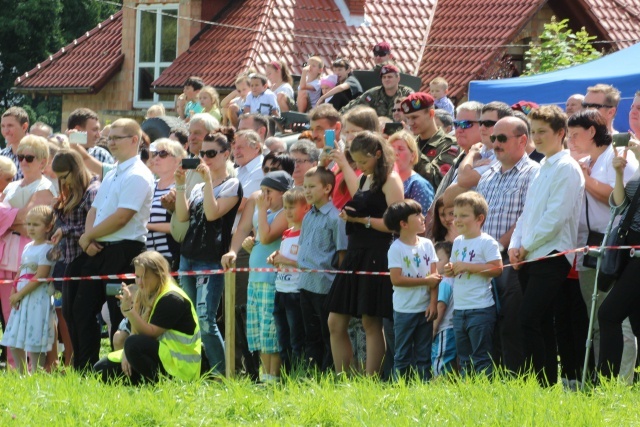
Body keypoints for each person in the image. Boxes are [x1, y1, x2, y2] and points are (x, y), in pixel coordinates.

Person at [68, 118, 154, 370]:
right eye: (110, 137)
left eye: (118, 137)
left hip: (124, 250)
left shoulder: (139, 174)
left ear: (134, 140)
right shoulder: (114, 171)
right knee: (80, 309)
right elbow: (95, 209)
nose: (111, 142)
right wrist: (89, 237)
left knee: (120, 315)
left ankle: (119, 370)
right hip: (98, 247)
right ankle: (85, 369)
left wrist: (89, 236)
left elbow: (122, 216)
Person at [509, 105, 585, 386]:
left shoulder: (567, 168)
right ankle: (545, 384)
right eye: (533, 131)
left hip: (551, 255)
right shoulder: (542, 167)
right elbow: (528, 213)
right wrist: (515, 245)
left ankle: (542, 383)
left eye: (543, 132)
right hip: (529, 254)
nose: (536, 137)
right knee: (539, 322)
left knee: (529, 318)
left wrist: (525, 245)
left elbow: (556, 217)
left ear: (560, 133)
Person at [326, 131, 404, 375]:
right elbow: (357, 197)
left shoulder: (391, 180)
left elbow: (395, 223)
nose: (359, 166)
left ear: (378, 154)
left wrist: (361, 220)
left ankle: (371, 380)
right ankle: (343, 378)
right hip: (355, 252)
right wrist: (352, 217)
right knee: (335, 322)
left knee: (371, 321)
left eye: (363, 161)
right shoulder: (364, 179)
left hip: (378, 252)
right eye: (356, 162)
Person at [568, 110, 638, 384]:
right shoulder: (591, 160)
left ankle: (618, 383)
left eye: (575, 134)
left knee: (616, 318)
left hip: (623, 245)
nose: (571, 140)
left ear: (592, 132)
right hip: (597, 244)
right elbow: (616, 200)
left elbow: (616, 201)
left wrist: (586, 179)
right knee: (600, 319)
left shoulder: (620, 155)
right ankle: (603, 382)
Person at [476, 116, 540, 375]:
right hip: (484, 261)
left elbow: (528, 216)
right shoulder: (487, 175)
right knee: (486, 323)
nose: (496, 144)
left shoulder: (534, 172)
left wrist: (496, 246)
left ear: (523, 140)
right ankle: (491, 379)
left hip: (514, 260)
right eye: (493, 138)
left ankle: (516, 379)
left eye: (502, 138)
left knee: (511, 324)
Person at [175, 132, 242, 374]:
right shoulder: (200, 186)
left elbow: (213, 214)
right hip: (188, 256)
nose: (205, 158)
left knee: (206, 319)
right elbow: (182, 217)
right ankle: (196, 370)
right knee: (190, 319)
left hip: (211, 259)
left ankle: (221, 374)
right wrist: (181, 184)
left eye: (211, 154)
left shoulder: (232, 184)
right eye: (202, 154)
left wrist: (208, 182)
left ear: (226, 155)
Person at [222, 171, 292, 382]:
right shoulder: (265, 213)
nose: (264, 196)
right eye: (262, 191)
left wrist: (261, 210)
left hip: (271, 281)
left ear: (283, 193)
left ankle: (274, 377)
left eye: (269, 192)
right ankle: (264, 376)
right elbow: (260, 237)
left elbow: (269, 235)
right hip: (255, 280)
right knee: (258, 331)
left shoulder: (282, 214)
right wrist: (248, 246)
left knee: (271, 331)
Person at [94, 251, 201, 384]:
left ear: (159, 275)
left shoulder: (172, 298)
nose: (139, 282)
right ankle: (141, 381)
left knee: (132, 344)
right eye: (137, 276)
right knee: (101, 369)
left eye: (144, 277)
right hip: (162, 356)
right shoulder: (146, 293)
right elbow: (135, 332)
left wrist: (129, 311)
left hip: (181, 367)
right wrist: (126, 354)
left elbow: (150, 333)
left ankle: (157, 384)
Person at [1, 135, 57, 360]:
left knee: (25, 311)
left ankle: (37, 366)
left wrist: (5, 220)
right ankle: (14, 366)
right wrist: (18, 220)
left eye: (30, 157)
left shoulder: (45, 187)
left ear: (43, 161)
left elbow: (32, 223)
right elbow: (23, 219)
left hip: (29, 254)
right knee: (10, 315)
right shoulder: (13, 185)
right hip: (5, 253)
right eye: (20, 156)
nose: (23, 162)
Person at [50, 150, 101, 366]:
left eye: (65, 176)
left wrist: (67, 230)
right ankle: (78, 365)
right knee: (69, 314)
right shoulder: (69, 191)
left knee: (83, 315)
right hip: (69, 258)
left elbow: (95, 228)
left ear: (76, 169)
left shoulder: (93, 191)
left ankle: (88, 364)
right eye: (58, 177)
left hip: (88, 259)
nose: (62, 181)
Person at [444, 191, 503, 376]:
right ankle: (468, 393)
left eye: (463, 215)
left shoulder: (487, 242)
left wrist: (468, 267)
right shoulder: (458, 242)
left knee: (481, 357)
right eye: (455, 215)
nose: (457, 220)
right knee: (464, 358)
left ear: (479, 218)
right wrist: (449, 269)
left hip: (480, 308)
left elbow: (497, 268)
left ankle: (483, 393)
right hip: (460, 309)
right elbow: (456, 267)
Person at [296, 166, 347, 371]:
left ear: (327, 188)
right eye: (305, 186)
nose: (306, 191)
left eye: (311, 187)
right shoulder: (308, 216)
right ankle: (312, 373)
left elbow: (342, 254)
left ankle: (328, 373)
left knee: (328, 335)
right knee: (310, 333)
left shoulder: (336, 218)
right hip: (306, 284)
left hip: (325, 286)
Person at [598, 132, 640, 381]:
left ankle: (606, 383)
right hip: (629, 250)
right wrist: (618, 173)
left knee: (608, 314)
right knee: (636, 322)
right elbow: (618, 205)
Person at [384, 199, 440, 380]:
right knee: (402, 355)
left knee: (424, 355)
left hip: (424, 310)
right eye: (417, 214)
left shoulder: (427, 244)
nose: (423, 217)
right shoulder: (396, 248)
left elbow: (435, 277)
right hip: (404, 310)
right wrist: (426, 281)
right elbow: (396, 279)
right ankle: (400, 389)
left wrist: (433, 303)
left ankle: (423, 388)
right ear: (403, 224)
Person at [0, 205, 56, 373]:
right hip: (22, 296)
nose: (30, 228)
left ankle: (36, 371)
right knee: (15, 336)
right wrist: (14, 290)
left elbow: (41, 275)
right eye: (28, 224)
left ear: (48, 227)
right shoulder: (28, 246)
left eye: (36, 225)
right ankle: (21, 373)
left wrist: (21, 294)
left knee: (35, 333)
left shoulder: (48, 248)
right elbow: (21, 270)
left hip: (37, 297)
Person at [266, 188, 310, 370]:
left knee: (296, 338)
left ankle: (298, 375)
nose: (288, 212)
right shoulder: (287, 232)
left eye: (292, 207)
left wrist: (285, 260)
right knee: (282, 337)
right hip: (281, 290)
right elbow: (284, 256)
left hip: (295, 292)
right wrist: (275, 257)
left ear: (306, 208)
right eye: (285, 208)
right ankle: (286, 377)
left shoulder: (306, 232)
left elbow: (307, 262)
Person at [400, 93, 457, 191]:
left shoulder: (450, 144)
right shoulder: (409, 143)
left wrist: (411, 146)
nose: (410, 123)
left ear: (431, 114)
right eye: (408, 118)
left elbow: (438, 181)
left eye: (414, 117)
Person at [147, 139, 187, 269]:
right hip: (147, 258)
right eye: (155, 154)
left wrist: (146, 226)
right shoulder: (149, 185)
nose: (156, 158)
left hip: (171, 258)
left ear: (178, 160)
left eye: (163, 154)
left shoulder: (181, 187)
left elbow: (179, 226)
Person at [340, 65, 414, 120]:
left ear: (398, 78)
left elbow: (417, 111)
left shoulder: (406, 93)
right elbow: (353, 106)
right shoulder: (373, 94)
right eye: (384, 77)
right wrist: (337, 117)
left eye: (389, 77)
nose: (386, 79)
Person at [389, 130, 435, 213]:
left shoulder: (418, 185)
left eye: (400, 149)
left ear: (412, 156)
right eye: (391, 148)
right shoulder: (384, 180)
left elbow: (423, 220)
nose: (395, 153)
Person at [432, 240, 457, 376]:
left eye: (439, 259)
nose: (435, 262)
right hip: (451, 329)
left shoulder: (445, 282)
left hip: (444, 330)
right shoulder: (453, 281)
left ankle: (438, 387)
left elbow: (440, 307)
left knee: (440, 360)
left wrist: (434, 329)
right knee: (449, 361)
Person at [1, 107, 30, 180]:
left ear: (24, 127)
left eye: (10, 125)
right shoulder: (2, 155)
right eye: (3, 126)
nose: (5, 131)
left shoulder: (34, 156)